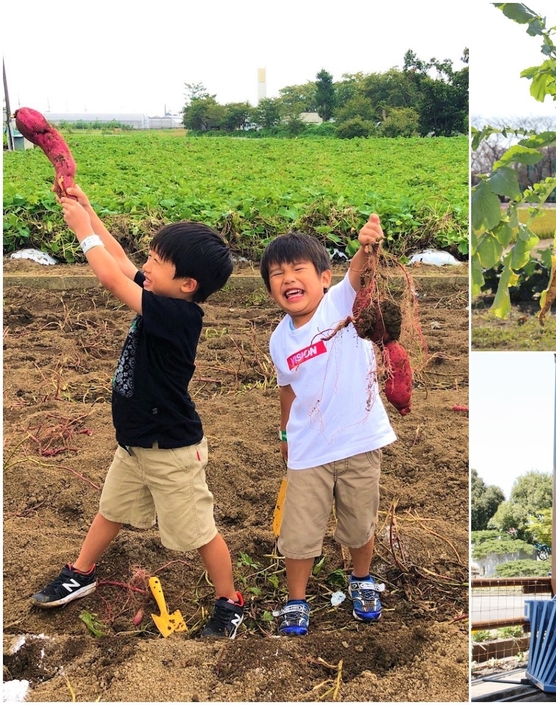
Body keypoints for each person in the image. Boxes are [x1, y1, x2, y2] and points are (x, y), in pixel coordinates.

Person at [32, 185, 243, 639]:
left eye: (155, 262)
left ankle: (229, 601)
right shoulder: (162, 295)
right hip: (134, 441)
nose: (144, 266)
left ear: (187, 285)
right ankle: (82, 571)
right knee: (111, 508)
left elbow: (111, 278)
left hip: (171, 449)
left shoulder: (179, 316)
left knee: (199, 532)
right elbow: (123, 264)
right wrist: (88, 208)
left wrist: (81, 231)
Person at [261, 215, 397, 636]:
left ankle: (361, 579)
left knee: (359, 524)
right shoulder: (279, 340)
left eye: (298, 270)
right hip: (309, 450)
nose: (288, 279)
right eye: (277, 275)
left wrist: (368, 245)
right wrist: (285, 434)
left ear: (323, 277)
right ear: (270, 289)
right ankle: (296, 601)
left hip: (359, 441)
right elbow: (288, 390)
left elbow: (360, 272)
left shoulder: (339, 305)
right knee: (299, 533)